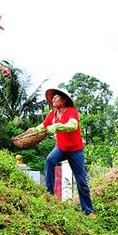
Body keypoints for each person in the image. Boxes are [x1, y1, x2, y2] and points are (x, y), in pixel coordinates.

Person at [31, 89, 95, 217]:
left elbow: (73, 125)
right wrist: (34, 130)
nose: (54, 99)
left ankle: (88, 211)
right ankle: (49, 196)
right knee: (49, 160)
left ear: (64, 100)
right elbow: (43, 126)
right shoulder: (52, 114)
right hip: (61, 147)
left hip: (75, 150)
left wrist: (57, 126)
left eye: (57, 97)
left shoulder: (72, 112)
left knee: (81, 179)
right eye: (53, 98)